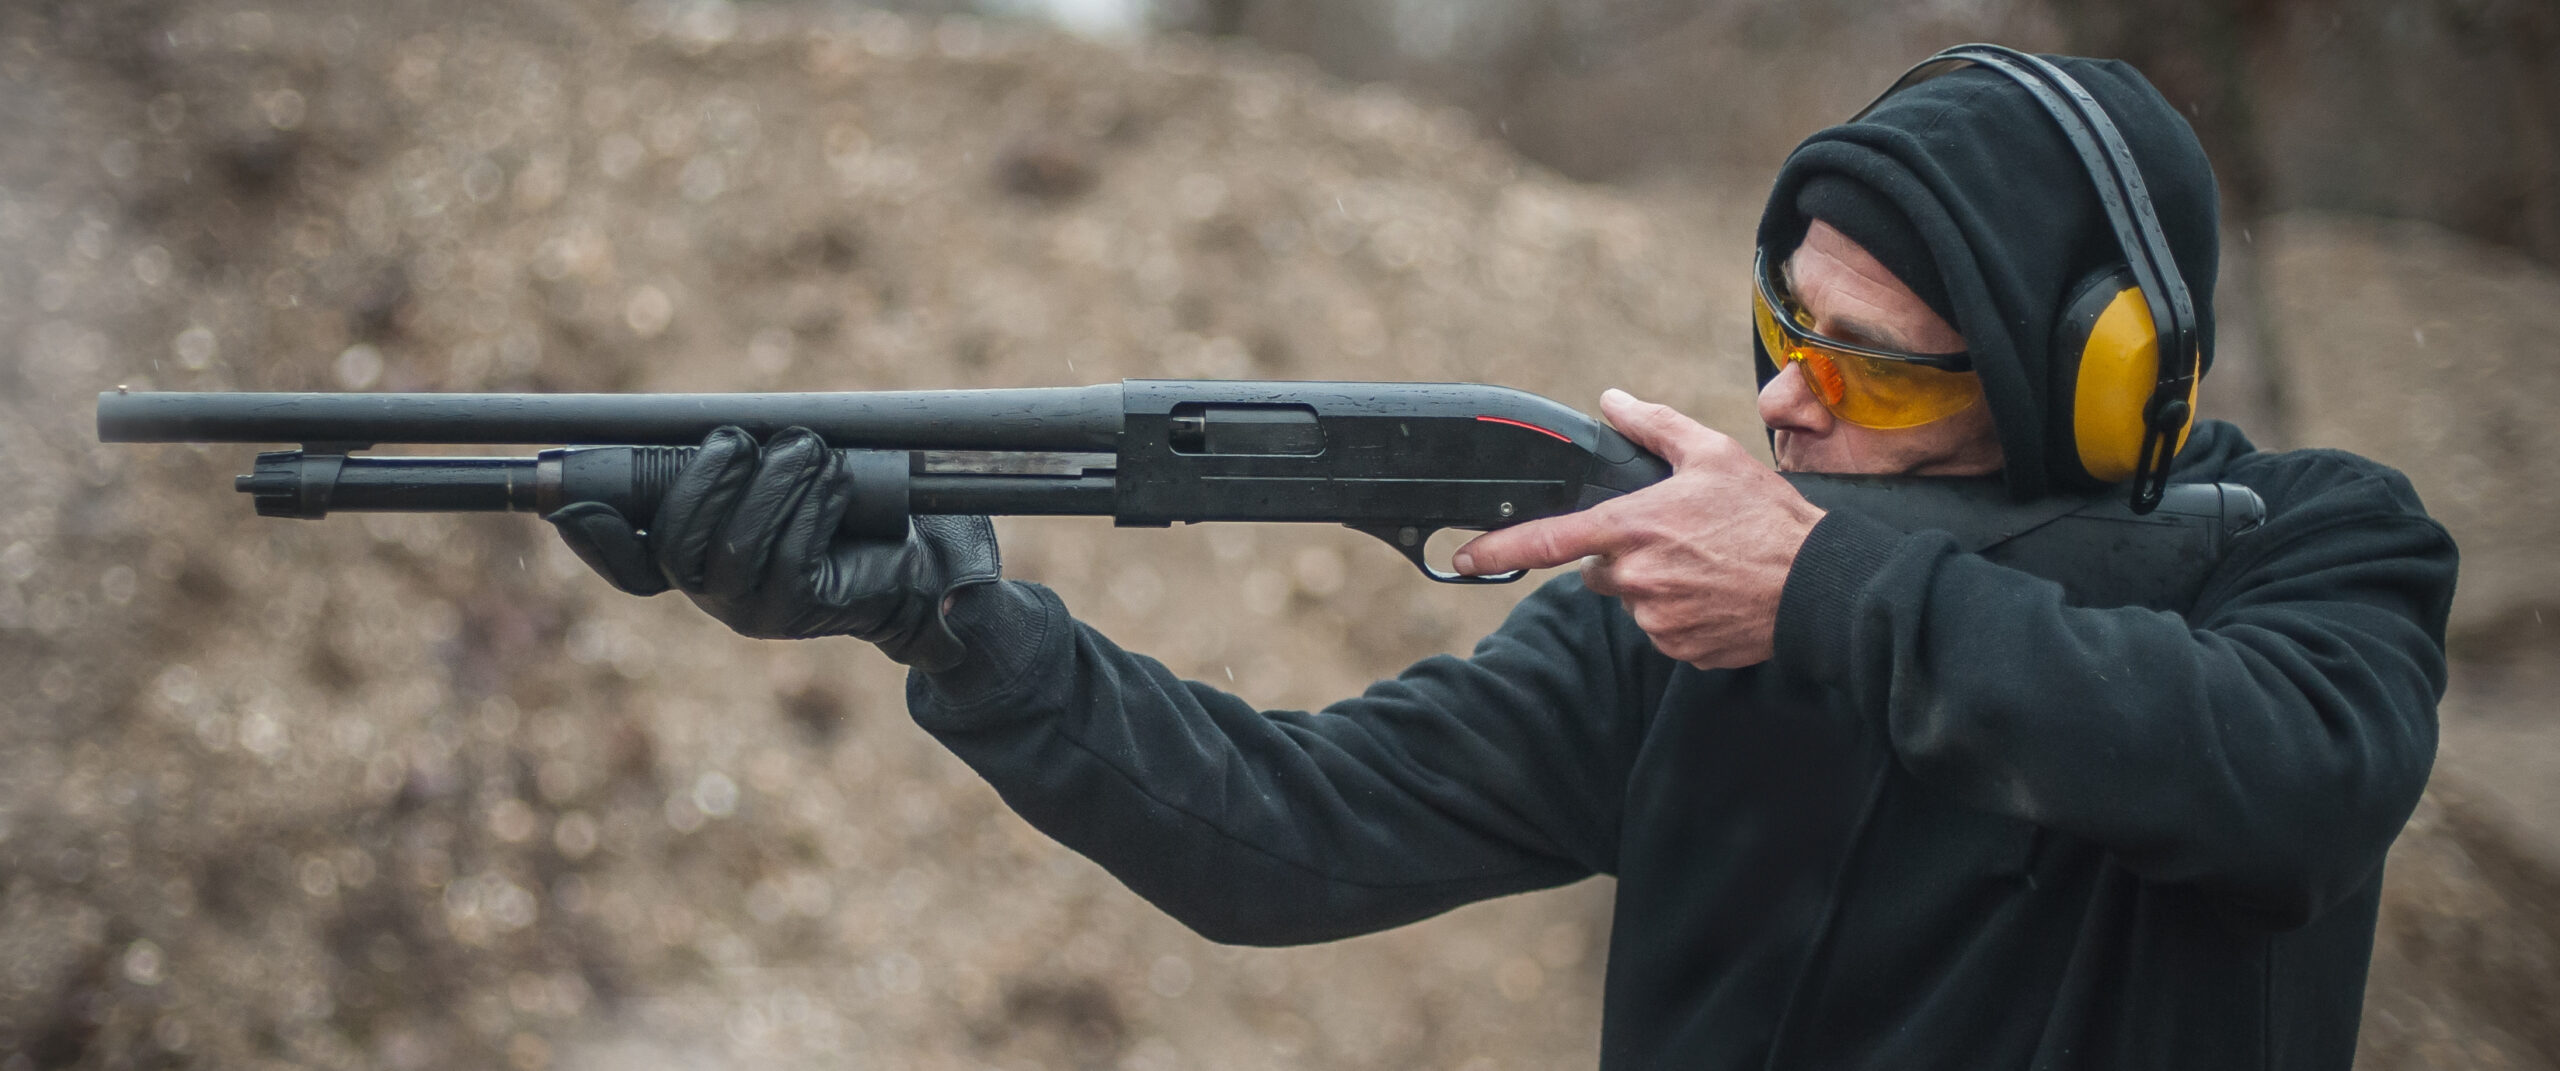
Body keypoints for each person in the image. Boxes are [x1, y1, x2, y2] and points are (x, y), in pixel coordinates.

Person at [546, 50, 2458, 1069]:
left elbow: (2289, 782)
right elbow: (1292, 837)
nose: (1789, 402)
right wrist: (954, 624)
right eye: (1780, 328)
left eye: (1864, 364)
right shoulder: (1685, 620)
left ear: (2097, 380)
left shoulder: (2316, 556)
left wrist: (1821, 594)